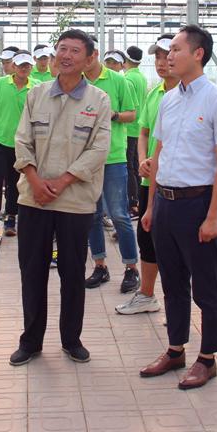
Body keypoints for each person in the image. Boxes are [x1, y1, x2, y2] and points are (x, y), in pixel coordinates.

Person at [140, 25, 217, 390]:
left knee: (206, 287)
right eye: (168, 51)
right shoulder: (168, 100)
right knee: (173, 283)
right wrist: (151, 206)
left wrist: (213, 216)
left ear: (198, 54)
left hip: (198, 205)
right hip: (166, 203)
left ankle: (207, 358)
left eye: (176, 49)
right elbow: (159, 154)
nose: (169, 56)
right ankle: (175, 349)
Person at [9, 29, 112, 366]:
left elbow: (99, 149)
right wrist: (35, 181)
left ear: (89, 59)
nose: (66, 56)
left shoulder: (98, 100)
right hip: (34, 199)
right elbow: (22, 140)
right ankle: (30, 342)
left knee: (72, 272)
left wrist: (64, 180)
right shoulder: (36, 95)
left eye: (74, 51)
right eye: (62, 49)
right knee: (32, 271)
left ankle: (71, 340)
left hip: (75, 201)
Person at [115, 35, 176, 315]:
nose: (162, 62)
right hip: (149, 179)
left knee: (174, 243)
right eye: (158, 57)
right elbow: (144, 132)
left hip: (175, 182)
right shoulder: (154, 94)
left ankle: (179, 306)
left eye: (167, 55)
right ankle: (147, 295)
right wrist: (142, 160)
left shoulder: (192, 97)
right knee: (147, 236)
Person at [83, 44, 140, 294]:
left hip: (113, 156)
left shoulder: (118, 80)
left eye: (83, 55)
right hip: (85, 159)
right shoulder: (77, 81)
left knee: (119, 215)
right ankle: (100, 266)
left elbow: (132, 114)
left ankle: (131, 268)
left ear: (94, 55)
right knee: (92, 215)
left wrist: (113, 114)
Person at [0, 51, 34, 238]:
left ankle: (11, 217)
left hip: (22, 143)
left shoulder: (36, 87)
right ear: (13, 66)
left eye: (27, 65)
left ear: (31, 67)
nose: (23, 68)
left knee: (15, 182)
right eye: (20, 65)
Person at [123, 45, 148, 214]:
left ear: (126, 60)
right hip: (139, 127)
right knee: (135, 165)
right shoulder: (142, 77)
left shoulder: (127, 79)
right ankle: (137, 198)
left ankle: (132, 201)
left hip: (129, 127)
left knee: (129, 167)